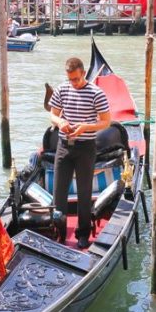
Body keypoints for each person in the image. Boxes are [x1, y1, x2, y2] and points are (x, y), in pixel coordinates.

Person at [49, 57, 111, 249]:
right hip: (64, 145)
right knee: (59, 192)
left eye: (76, 79)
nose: (73, 83)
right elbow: (52, 114)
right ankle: (58, 231)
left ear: (83, 73)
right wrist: (61, 123)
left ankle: (82, 233)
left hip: (86, 147)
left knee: (85, 192)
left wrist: (85, 127)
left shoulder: (96, 93)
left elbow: (106, 122)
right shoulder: (62, 89)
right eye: (70, 79)